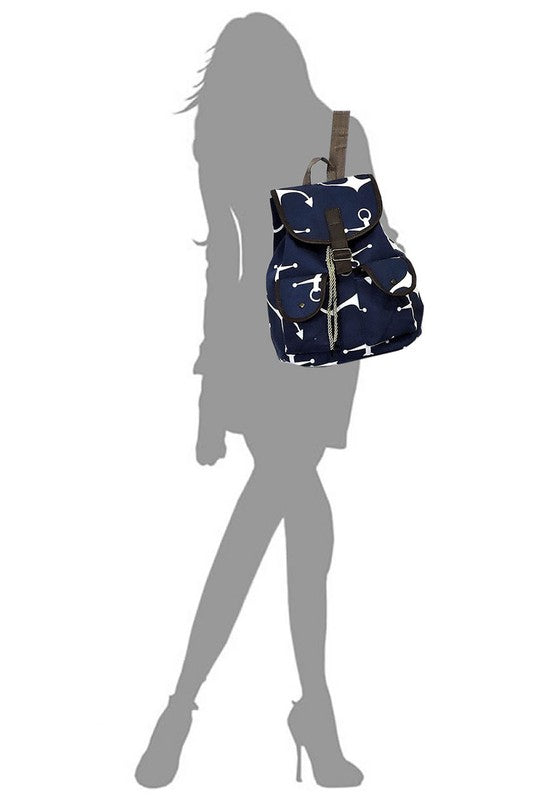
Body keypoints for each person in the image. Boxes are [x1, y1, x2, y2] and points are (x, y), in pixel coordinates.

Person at [135, 12, 398, 788]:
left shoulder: (225, 137)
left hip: (259, 348)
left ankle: (184, 710)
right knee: (289, 511)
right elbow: (371, 246)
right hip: (327, 347)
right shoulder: (340, 132)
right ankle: (306, 714)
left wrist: (211, 400)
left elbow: (225, 265)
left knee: (283, 506)